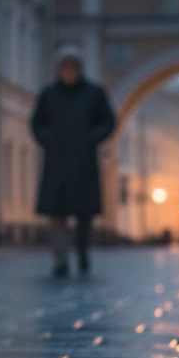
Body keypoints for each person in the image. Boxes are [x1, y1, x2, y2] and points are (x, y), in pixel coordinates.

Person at [30, 44, 116, 276]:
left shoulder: (93, 93)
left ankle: (83, 253)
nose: (68, 70)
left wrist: (92, 138)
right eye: (64, 66)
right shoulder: (49, 95)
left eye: (72, 66)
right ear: (59, 69)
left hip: (84, 163)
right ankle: (60, 260)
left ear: (79, 68)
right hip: (56, 162)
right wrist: (48, 139)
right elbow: (37, 123)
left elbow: (108, 121)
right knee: (57, 215)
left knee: (84, 215)